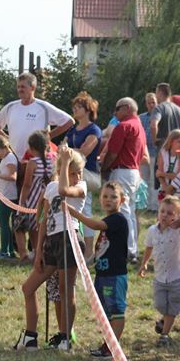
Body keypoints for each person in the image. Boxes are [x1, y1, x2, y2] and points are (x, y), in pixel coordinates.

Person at [13, 146, 86, 352]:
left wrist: (64, 168)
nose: (76, 176)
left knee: (65, 290)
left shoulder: (81, 187)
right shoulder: (52, 187)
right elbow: (43, 219)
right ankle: (30, 337)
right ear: (62, 169)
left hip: (69, 239)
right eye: (72, 172)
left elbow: (65, 191)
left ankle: (65, 337)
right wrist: (38, 251)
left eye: (78, 171)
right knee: (28, 288)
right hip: (51, 243)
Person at [69, 181, 130, 358]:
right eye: (104, 196)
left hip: (115, 276)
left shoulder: (117, 219)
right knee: (105, 311)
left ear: (122, 200)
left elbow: (95, 226)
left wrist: (74, 214)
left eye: (113, 197)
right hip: (102, 275)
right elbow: (102, 249)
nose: (108, 200)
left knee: (116, 310)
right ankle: (107, 344)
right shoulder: (108, 221)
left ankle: (112, 347)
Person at [138, 195, 180, 346]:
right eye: (162, 211)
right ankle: (164, 319)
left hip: (177, 276)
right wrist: (144, 263)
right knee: (161, 305)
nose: (165, 215)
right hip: (160, 277)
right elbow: (149, 247)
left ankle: (165, 335)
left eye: (170, 213)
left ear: (177, 216)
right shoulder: (152, 231)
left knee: (173, 306)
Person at [0, 72, 75, 163]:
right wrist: (6, 138)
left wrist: (47, 137)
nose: (20, 89)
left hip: (37, 158)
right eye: (18, 87)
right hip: (14, 158)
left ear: (33, 87)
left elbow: (69, 121)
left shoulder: (43, 107)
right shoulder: (11, 107)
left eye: (23, 87)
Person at [103, 97, 147, 262]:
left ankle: (127, 250)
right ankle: (132, 249)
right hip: (134, 171)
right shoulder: (140, 127)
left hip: (123, 171)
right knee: (130, 210)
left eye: (117, 108)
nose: (115, 112)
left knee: (123, 211)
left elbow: (113, 152)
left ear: (127, 108)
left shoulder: (124, 126)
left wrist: (104, 167)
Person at [65, 92, 103, 258]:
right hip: (73, 173)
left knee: (85, 211)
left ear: (88, 110)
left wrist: (67, 151)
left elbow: (85, 152)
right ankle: (74, 247)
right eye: (74, 106)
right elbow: (63, 146)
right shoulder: (73, 128)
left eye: (78, 107)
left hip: (88, 175)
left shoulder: (94, 130)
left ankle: (88, 252)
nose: (75, 109)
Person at [13, 131, 55, 265]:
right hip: (47, 198)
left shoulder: (32, 163)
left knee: (31, 228)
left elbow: (26, 185)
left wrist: (21, 202)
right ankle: (40, 252)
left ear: (31, 148)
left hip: (33, 200)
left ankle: (35, 253)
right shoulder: (52, 161)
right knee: (42, 227)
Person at [140, 92, 158, 211]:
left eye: (153, 102)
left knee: (153, 181)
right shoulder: (141, 117)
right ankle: (144, 204)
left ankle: (153, 206)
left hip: (156, 152)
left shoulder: (159, 116)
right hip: (144, 152)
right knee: (144, 180)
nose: (151, 105)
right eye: (149, 102)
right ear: (146, 104)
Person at [156, 129, 180, 202]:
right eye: (178, 141)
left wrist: (162, 174)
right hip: (164, 187)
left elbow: (178, 176)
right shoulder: (163, 152)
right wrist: (165, 188)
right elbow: (158, 175)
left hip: (177, 188)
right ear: (171, 141)